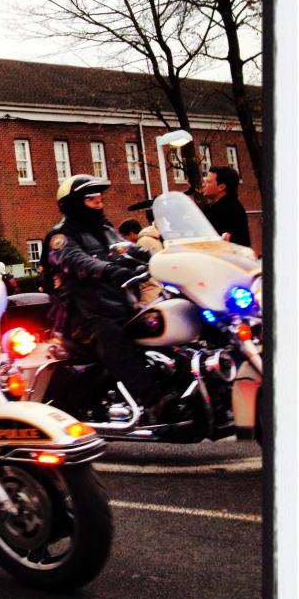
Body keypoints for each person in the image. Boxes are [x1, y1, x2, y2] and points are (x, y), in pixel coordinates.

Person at [43, 176, 170, 424]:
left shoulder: (106, 230)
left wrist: (168, 258)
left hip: (119, 307)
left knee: (162, 322)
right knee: (111, 336)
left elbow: (131, 250)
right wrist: (109, 270)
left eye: (100, 196)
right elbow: (76, 261)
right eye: (91, 197)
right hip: (83, 315)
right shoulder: (60, 237)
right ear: (73, 204)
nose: (99, 201)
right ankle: (154, 401)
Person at [118, 215, 163, 306]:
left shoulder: (142, 242)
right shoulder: (151, 238)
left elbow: (138, 265)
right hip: (159, 282)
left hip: (152, 287)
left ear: (131, 233)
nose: (126, 240)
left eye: (125, 237)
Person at [201, 165, 251, 248]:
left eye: (208, 182)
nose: (203, 184)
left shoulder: (232, 210)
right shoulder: (213, 207)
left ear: (221, 187)